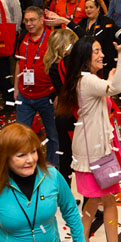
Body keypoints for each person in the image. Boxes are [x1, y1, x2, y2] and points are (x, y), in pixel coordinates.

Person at [55, 33, 121, 242]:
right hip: (97, 152)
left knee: (91, 201)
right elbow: (117, 87)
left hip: (86, 151)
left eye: (102, 50)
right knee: (108, 202)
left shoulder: (83, 79)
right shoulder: (88, 81)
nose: (101, 55)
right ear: (84, 57)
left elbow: (107, 90)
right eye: (96, 51)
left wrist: (108, 77)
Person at [0, 123, 88, 242]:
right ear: (4, 158)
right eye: (21, 155)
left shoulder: (52, 175)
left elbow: (70, 209)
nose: (30, 160)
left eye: (33, 152)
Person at [14, 6, 60, 166]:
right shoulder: (23, 38)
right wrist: (15, 87)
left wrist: (59, 95)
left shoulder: (52, 38)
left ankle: (52, 168)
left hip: (46, 95)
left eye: (32, 20)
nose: (29, 23)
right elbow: (19, 63)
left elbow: (59, 67)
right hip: (24, 96)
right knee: (21, 136)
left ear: (42, 20)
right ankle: (26, 166)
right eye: (26, 20)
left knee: (53, 136)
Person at [43, 29, 79, 183]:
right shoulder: (67, 67)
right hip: (72, 115)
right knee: (75, 157)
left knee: (65, 157)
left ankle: (67, 196)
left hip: (62, 115)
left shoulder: (52, 66)